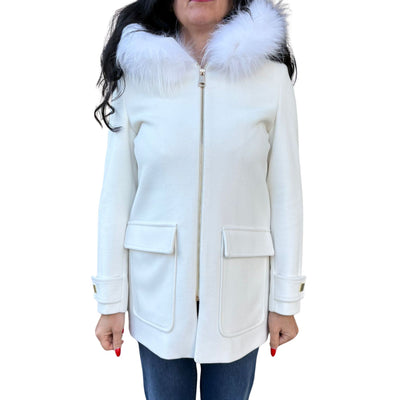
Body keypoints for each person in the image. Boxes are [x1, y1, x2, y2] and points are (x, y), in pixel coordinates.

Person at [91, 0, 307, 398]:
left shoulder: (271, 79)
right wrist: (110, 300)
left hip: (240, 298)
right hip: (156, 296)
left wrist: (285, 299)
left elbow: (286, 195)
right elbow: (116, 197)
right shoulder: (138, 78)